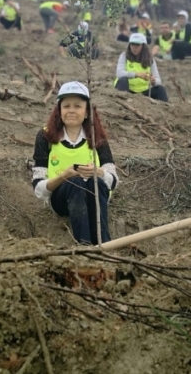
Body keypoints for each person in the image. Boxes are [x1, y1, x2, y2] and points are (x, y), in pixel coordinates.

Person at [31, 81, 117, 245]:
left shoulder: (97, 136)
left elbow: (113, 181)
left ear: (86, 112)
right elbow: (39, 189)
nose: (71, 110)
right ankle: (83, 245)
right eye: (66, 106)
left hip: (95, 195)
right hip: (61, 198)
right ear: (59, 111)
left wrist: (99, 173)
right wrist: (63, 177)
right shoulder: (45, 136)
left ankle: (104, 244)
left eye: (77, 106)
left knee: (95, 182)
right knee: (75, 182)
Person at [114, 33, 168, 102]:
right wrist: (136, 74)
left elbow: (158, 80)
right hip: (126, 90)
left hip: (142, 92)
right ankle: (123, 103)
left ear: (143, 46)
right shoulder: (124, 55)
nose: (134, 47)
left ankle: (164, 109)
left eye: (137, 44)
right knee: (122, 80)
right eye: (132, 44)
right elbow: (119, 73)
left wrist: (154, 81)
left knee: (161, 89)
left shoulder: (150, 59)